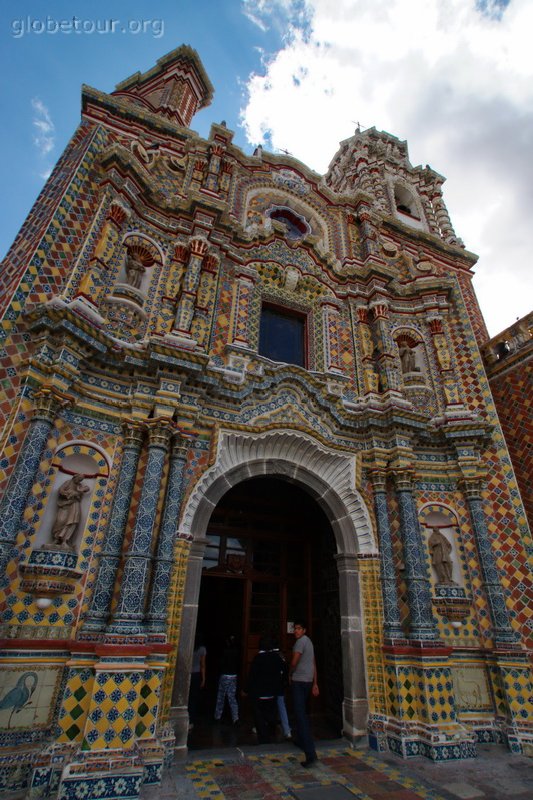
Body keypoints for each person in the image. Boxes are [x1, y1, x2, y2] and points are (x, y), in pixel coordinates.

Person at [245, 635, 287, 744]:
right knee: (270, 714)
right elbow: (284, 670)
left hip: (259, 693)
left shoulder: (258, 659)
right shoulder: (276, 657)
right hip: (272, 692)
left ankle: (263, 738)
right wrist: (282, 684)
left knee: (259, 717)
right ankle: (271, 733)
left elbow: (252, 676)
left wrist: (246, 689)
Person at [290, 620, 319, 767]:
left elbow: (294, 662)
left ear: (304, 630)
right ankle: (301, 740)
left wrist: (289, 673)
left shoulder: (300, 642)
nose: (296, 631)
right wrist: (315, 683)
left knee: (300, 715)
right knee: (300, 711)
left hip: (299, 681)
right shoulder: (309, 642)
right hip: (307, 681)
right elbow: (313, 663)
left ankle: (310, 753)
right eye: (295, 628)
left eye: (299, 628)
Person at [51, 473, 90, 547]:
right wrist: (70, 493)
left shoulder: (79, 486)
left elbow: (83, 492)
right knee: (60, 520)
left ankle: (65, 540)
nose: (79, 480)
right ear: (75, 477)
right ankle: (56, 538)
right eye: (79, 479)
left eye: (81, 480)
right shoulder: (68, 482)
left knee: (73, 522)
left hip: (75, 504)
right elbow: (61, 491)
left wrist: (79, 493)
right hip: (65, 504)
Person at [214, 634, 239, 724]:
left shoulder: (225, 652)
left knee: (221, 696)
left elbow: (221, 663)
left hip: (225, 675)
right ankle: (235, 717)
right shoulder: (236, 652)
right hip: (233, 675)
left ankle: (218, 716)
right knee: (232, 696)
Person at [188, 632, 206, 729]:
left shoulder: (189, 647)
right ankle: (191, 720)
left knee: (189, 697)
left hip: (188, 673)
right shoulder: (202, 649)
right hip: (197, 674)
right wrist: (203, 678)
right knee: (194, 698)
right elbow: (203, 665)